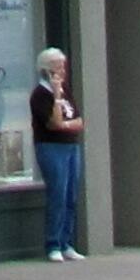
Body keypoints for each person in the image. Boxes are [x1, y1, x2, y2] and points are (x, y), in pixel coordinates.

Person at [31, 46, 85, 262]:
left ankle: (67, 242)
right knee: (58, 194)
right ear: (46, 69)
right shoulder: (40, 95)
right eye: (56, 66)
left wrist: (66, 124)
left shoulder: (67, 91)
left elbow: (79, 122)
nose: (62, 70)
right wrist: (55, 96)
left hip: (71, 146)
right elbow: (54, 124)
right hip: (51, 147)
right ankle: (53, 244)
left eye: (63, 65)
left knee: (71, 194)